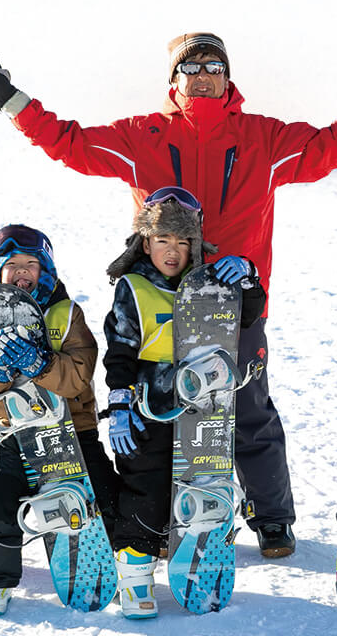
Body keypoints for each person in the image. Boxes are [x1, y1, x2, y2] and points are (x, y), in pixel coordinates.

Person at [0, 35, 337, 556]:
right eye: (192, 66)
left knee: (249, 410)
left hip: (233, 307)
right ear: (175, 79)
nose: (204, 74)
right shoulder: (143, 137)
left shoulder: (261, 137)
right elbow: (70, 144)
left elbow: (328, 147)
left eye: (214, 65)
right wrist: (12, 101)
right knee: (155, 415)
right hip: (156, 308)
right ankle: (152, 525)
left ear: (227, 76)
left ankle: (271, 517)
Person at [101, 187, 266, 619]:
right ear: (145, 242)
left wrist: (248, 277)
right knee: (147, 487)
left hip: (203, 407)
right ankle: (134, 576)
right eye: (162, 241)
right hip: (150, 406)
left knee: (200, 486)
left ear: (195, 243)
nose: (172, 252)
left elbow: (247, 314)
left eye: (182, 241)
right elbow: (119, 348)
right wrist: (120, 404)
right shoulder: (132, 287)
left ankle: (199, 564)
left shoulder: (212, 283)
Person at [0, 224, 120, 616]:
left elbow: (80, 372)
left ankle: (125, 558)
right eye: (11, 264)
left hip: (71, 431)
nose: (22, 272)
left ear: (45, 269)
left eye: (31, 263)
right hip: (13, 433)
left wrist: (40, 363)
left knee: (102, 492)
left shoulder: (65, 314)